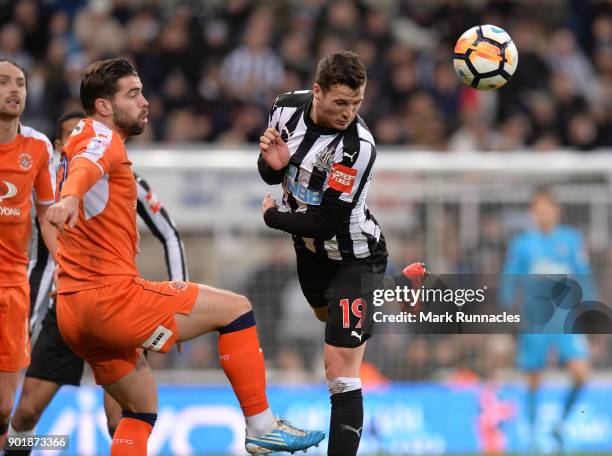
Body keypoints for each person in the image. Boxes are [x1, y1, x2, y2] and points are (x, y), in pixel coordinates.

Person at [46, 59, 324, 455]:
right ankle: (262, 426)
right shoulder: (99, 138)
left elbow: (84, 167)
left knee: (139, 408)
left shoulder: (80, 138)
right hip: (110, 300)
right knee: (237, 309)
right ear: (104, 106)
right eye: (132, 94)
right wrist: (71, 196)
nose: (144, 101)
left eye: (142, 90)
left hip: (73, 312)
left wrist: (72, 195)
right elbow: (87, 167)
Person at [257, 50, 427, 456]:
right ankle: (398, 287)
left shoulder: (357, 147)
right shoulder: (284, 108)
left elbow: (328, 221)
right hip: (310, 254)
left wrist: (274, 219)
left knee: (339, 370)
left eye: (357, 102)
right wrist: (276, 168)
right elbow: (268, 168)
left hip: (355, 255)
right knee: (325, 316)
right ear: (317, 91)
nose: (348, 112)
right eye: (340, 102)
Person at [7, 110, 188, 448]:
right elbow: (36, 261)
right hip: (62, 313)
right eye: (72, 139)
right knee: (26, 413)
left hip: (113, 303)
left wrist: (179, 292)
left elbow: (171, 235)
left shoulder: (125, 182)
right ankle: (17, 449)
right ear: (60, 146)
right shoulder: (49, 196)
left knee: (121, 417)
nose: (84, 143)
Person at [500, 186, 593, 451]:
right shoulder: (523, 244)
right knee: (533, 378)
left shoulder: (572, 240)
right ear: (532, 214)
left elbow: (583, 276)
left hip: (567, 319)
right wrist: (508, 312)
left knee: (581, 373)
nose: (543, 215)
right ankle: (531, 435)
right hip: (535, 319)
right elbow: (510, 279)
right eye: (538, 211)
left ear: (556, 211)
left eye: (547, 210)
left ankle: (560, 424)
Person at [0, 59, 57, 449]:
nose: (14, 89)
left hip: (13, 286)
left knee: (4, 406)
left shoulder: (38, 146)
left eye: (20, 82)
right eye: (3, 82)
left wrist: (67, 268)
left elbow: (48, 215)